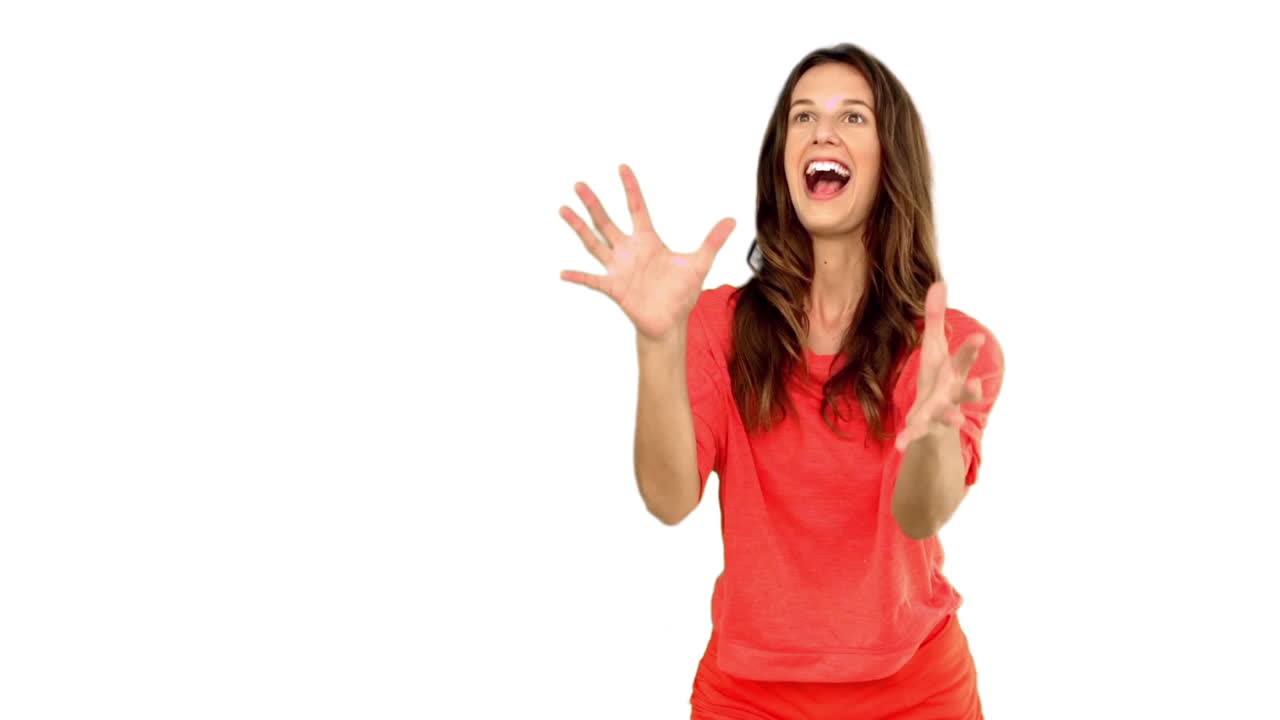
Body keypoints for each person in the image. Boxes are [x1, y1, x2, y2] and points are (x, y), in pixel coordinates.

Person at [558, 42, 1003, 720]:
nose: (823, 130)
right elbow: (669, 498)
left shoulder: (954, 347)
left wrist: (937, 432)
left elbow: (920, 513)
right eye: (803, 118)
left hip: (916, 693)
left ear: (893, 162)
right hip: (749, 697)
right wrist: (658, 342)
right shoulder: (718, 326)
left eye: (853, 118)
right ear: (782, 161)